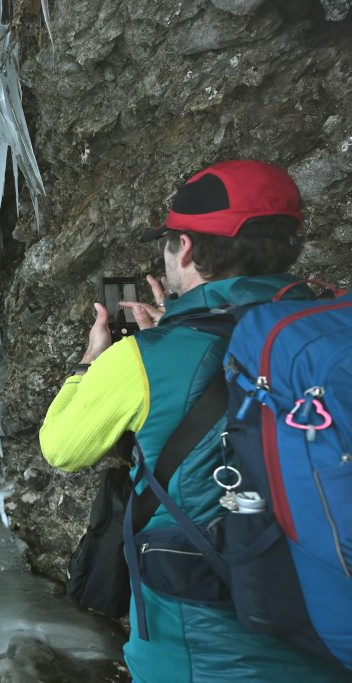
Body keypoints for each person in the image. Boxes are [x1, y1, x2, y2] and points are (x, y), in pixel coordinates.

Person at [38, 160, 350, 682]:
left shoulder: (143, 357)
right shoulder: (328, 331)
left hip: (198, 647)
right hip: (329, 631)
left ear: (184, 248)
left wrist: (95, 362)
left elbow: (62, 448)